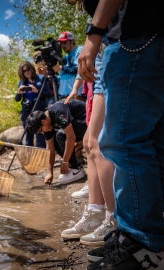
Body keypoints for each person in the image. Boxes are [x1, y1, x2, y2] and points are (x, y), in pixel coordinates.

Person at [79, 0, 164, 268]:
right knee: (152, 143)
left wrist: (94, 33)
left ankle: (142, 242)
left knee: (123, 143)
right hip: (151, 38)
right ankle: (149, 242)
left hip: (138, 39)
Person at [61, 43, 117, 247]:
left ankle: (113, 217)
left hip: (108, 59)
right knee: (88, 142)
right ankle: (95, 211)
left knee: (98, 143)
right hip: (101, 61)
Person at [26, 100, 87, 185]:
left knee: (60, 135)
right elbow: (50, 149)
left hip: (87, 119)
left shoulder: (58, 112)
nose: (43, 133)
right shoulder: (46, 123)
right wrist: (50, 173)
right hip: (76, 124)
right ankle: (75, 167)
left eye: (41, 131)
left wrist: (65, 162)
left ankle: (76, 169)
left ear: (43, 122)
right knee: (56, 137)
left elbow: (71, 137)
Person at [14, 61, 50, 148]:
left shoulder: (41, 78)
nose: (27, 72)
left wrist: (36, 91)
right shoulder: (22, 82)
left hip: (39, 109)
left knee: (40, 134)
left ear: (31, 69)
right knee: (28, 134)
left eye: (28, 69)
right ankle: (30, 157)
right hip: (26, 110)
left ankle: (41, 157)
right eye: (24, 71)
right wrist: (18, 93)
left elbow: (48, 94)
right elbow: (17, 99)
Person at [56, 31, 83, 101]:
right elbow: (61, 78)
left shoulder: (79, 50)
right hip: (62, 97)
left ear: (72, 41)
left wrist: (61, 67)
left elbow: (79, 70)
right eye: (61, 43)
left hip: (77, 95)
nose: (62, 46)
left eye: (65, 43)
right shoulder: (64, 58)